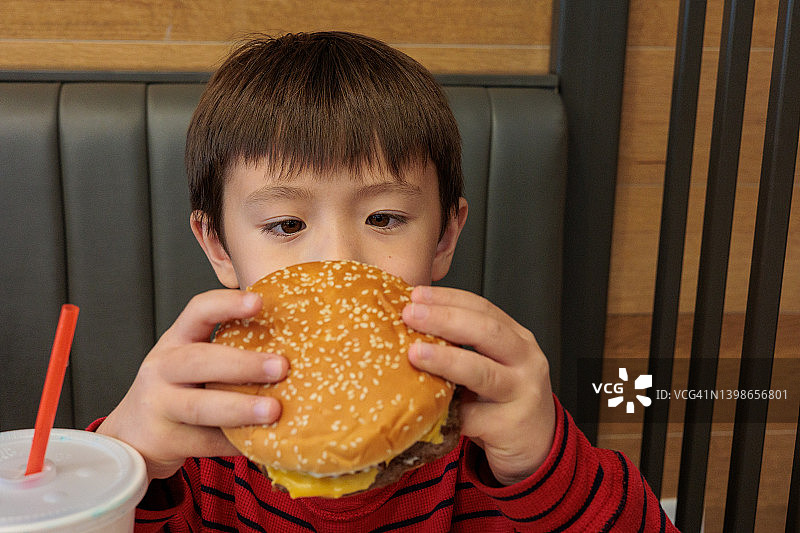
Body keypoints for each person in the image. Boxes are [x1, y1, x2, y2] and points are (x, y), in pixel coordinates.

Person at [92, 31, 678, 532]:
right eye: (286, 224)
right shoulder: (187, 444)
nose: (341, 261)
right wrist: (119, 464)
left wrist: (542, 468)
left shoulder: (495, 427)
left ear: (445, 235)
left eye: (385, 218)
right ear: (218, 245)